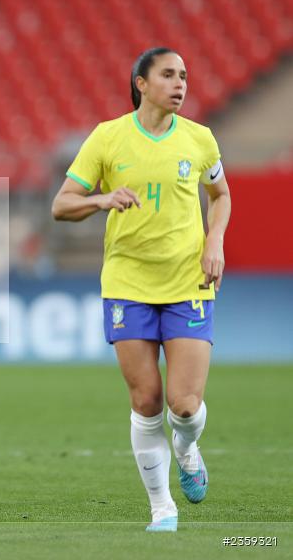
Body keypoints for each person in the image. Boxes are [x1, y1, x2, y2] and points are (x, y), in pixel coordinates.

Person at [51, 47, 231, 532]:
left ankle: (187, 447)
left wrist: (214, 240)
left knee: (185, 406)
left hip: (188, 281)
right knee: (147, 400)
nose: (180, 84)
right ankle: (162, 507)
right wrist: (102, 198)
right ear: (141, 83)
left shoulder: (199, 140)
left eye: (184, 76)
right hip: (128, 283)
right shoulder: (108, 138)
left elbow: (221, 195)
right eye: (169, 75)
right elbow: (61, 205)